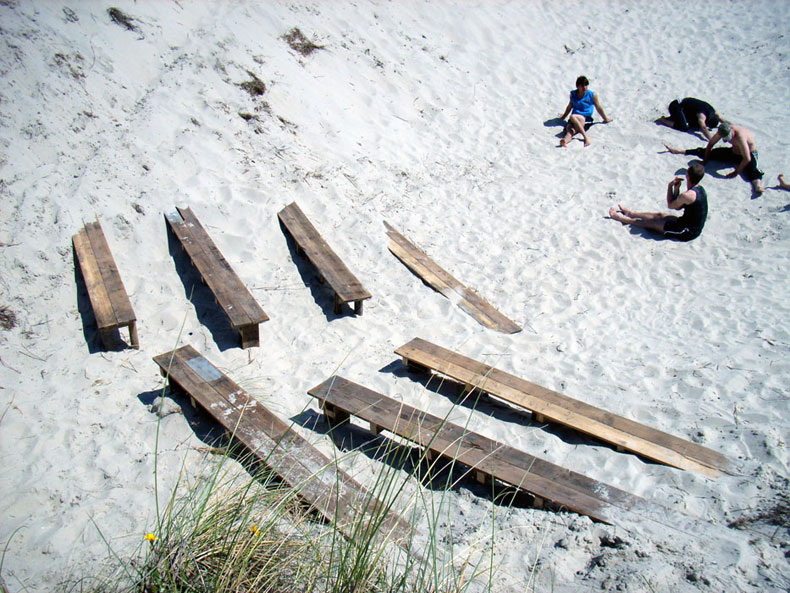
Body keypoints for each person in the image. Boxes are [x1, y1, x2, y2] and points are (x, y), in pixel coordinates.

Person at [608, 162, 707, 241]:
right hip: (685, 222)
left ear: (687, 176)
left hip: (687, 231)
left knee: (652, 223)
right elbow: (678, 206)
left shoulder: (687, 195)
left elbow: (671, 205)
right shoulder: (699, 189)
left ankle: (623, 219)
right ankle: (631, 213)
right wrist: (676, 189)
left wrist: (669, 186)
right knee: (660, 215)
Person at [665, 121, 765, 194]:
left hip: (748, 154)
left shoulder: (740, 137)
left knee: (751, 169)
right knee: (705, 152)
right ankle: (680, 151)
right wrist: (706, 159)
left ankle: (758, 185)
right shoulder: (722, 131)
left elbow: (747, 158)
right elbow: (710, 144)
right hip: (733, 152)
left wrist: (736, 172)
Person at [559, 75, 612, 147]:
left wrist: (605, 118)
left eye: (586, 85)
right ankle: (564, 141)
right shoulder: (573, 94)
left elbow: (598, 107)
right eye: (582, 85)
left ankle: (586, 137)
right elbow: (570, 106)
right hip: (575, 119)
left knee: (573, 117)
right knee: (570, 130)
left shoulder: (592, 95)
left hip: (585, 118)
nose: (585, 87)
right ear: (578, 86)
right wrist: (564, 116)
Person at [656, 97, 721, 141]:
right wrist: (711, 139)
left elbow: (724, 120)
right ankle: (663, 120)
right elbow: (703, 127)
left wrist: (730, 126)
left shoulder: (714, 112)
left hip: (685, 109)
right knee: (684, 127)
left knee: (694, 125)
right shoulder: (702, 115)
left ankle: (678, 118)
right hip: (676, 106)